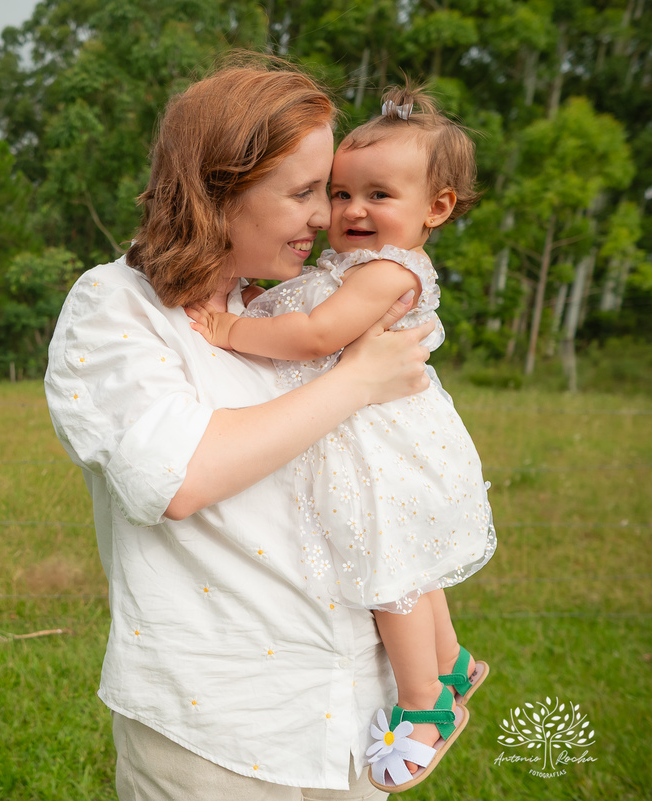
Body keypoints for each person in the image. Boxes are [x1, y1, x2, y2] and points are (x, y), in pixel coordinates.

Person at [45, 56, 437, 801]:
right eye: (301, 193)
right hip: (217, 735)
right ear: (218, 189)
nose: (325, 217)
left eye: (325, 191)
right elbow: (179, 476)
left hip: (351, 722)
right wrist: (356, 379)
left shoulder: (280, 315)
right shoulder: (117, 305)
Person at [184, 85, 496, 792]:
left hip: (382, 449)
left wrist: (232, 329)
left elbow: (318, 335)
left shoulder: (388, 271)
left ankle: (426, 706)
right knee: (414, 563)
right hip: (372, 438)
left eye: (378, 194)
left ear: (436, 208)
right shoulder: (346, 266)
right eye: (340, 192)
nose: (350, 210)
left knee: (394, 572)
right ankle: (452, 663)